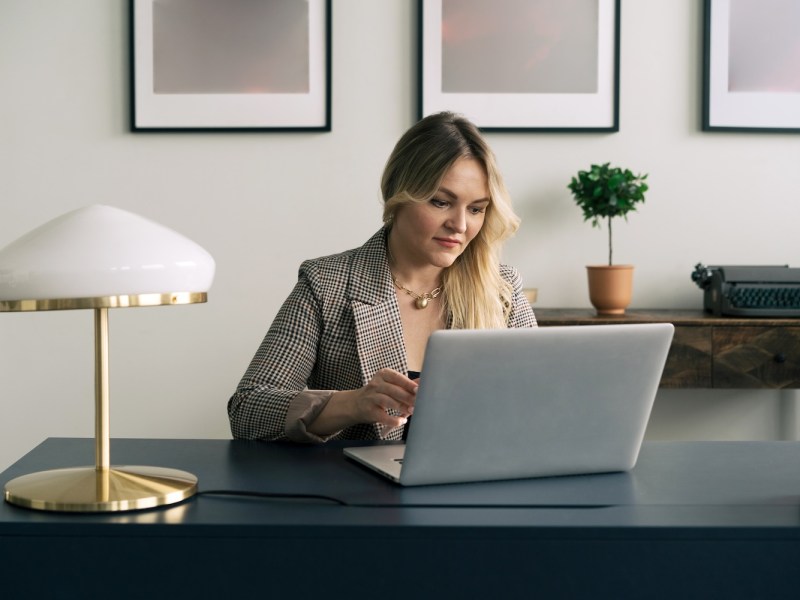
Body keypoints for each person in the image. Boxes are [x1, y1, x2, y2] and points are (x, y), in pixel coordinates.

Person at [228, 111, 537, 443]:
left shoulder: (501, 289)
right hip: (358, 489)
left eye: (476, 209)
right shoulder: (326, 283)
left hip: (475, 487)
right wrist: (352, 403)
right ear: (398, 196)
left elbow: (544, 402)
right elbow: (248, 410)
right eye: (441, 202)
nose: (460, 225)